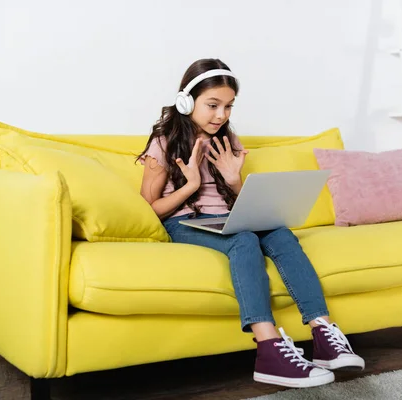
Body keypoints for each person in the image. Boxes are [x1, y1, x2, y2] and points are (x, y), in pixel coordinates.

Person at [136, 58, 364, 388]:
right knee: (244, 239)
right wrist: (190, 186)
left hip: (227, 218)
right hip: (183, 224)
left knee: (282, 235)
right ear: (187, 101)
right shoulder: (164, 141)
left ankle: (324, 335)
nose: (221, 115)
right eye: (212, 105)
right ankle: (269, 349)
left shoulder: (228, 141)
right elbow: (148, 209)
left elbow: (241, 200)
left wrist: (234, 180)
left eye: (228, 107)